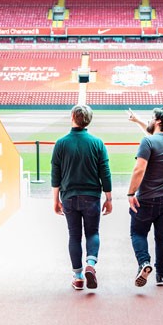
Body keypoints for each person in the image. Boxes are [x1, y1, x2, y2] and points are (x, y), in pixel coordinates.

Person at [51, 104, 112, 290]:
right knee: (92, 233)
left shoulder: (61, 143)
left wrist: (55, 200)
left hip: (69, 197)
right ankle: (90, 265)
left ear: (72, 117)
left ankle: (78, 277)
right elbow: (105, 173)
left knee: (74, 236)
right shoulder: (97, 143)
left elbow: (55, 175)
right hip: (92, 197)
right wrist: (108, 199)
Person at [127, 108, 163, 287]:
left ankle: (144, 262)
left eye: (151, 118)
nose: (149, 120)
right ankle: (161, 276)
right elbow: (155, 138)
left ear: (158, 122)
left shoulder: (147, 142)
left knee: (138, 233)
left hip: (147, 200)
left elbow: (139, 169)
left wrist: (130, 193)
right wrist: (138, 121)